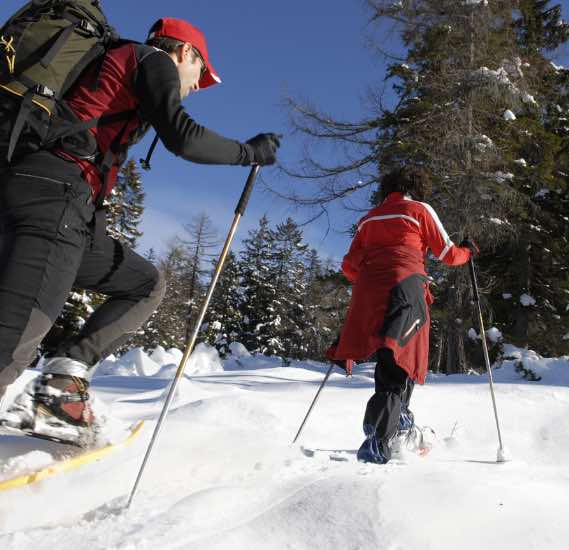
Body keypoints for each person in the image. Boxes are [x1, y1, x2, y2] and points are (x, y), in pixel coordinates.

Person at [0, 17, 281, 445]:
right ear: (185, 52)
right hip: (53, 197)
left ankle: (62, 388)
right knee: (19, 332)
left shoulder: (118, 66)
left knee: (145, 285)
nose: (193, 86)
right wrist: (248, 152)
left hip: (66, 207)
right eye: (199, 75)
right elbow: (182, 137)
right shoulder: (151, 59)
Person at [327, 166, 476, 464]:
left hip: (369, 291)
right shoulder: (419, 209)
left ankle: (400, 421)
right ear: (416, 187)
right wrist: (468, 251)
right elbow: (447, 253)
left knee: (390, 355)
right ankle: (379, 439)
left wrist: (373, 278)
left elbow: (348, 266)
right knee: (399, 358)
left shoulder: (368, 219)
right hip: (405, 287)